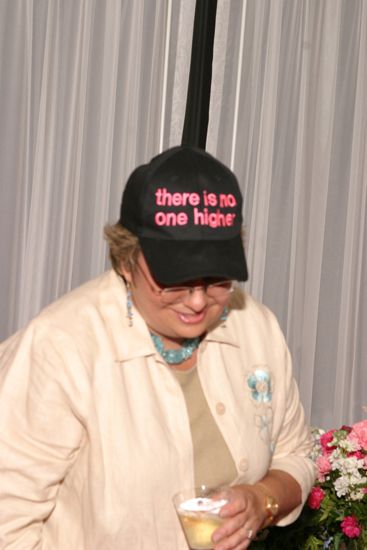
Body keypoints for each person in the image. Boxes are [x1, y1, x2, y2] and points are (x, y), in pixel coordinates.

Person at [0, 145, 315, 550]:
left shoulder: (257, 327)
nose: (199, 301)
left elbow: (297, 454)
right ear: (126, 260)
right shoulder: (60, 348)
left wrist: (260, 501)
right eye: (175, 280)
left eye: (218, 279)